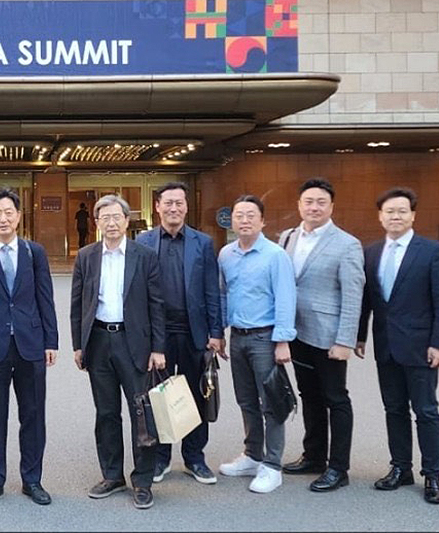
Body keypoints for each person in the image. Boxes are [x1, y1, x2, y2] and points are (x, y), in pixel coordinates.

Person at [356, 187, 439, 505]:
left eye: (402, 211)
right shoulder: (371, 252)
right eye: (389, 211)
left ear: (412, 215)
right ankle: (400, 468)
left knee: (425, 411)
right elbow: (367, 300)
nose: (395, 216)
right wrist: (359, 335)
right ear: (380, 216)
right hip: (386, 346)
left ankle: (433, 474)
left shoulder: (431, 252)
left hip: (420, 347)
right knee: (394, 409)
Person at [0, 189, 58, 507]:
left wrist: (51, 341)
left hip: (31, 344)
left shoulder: (34, 252)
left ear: (18, 216)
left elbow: (45, 298)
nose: (3, 218)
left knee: (33, 415)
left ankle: (32, 479)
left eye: (8, 212)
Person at [70, 194, 166, 510]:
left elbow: (157, 305)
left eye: (116, 217)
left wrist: (158, 348)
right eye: (105, 218)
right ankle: (112, 475)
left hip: (134, 343)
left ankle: (143, 480)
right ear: (96, 223)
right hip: (98, 341)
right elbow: (77, 304)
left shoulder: (145, 256)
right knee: (106, 413)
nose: (111, 223)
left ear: (126, 221)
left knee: (142, 413)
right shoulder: (86, 256)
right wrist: (78, 344)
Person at [275, 178, 365, 492]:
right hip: (297, 332)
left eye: (321, 202)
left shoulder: (347, 244)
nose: (314, 207)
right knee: (308, 395)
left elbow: (353, 295)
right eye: (309, 201)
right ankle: (314, 456)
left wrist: (345, 340)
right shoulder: (287, 237)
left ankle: (338, 468)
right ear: (299, 205)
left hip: (329, 338)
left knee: (335, 398)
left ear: (331, 206)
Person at [134, 182, 222, 486]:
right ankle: (160, 458)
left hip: (194, 333)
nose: (174, 208)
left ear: (186, 206)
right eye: (168, 203)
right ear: (157, 206)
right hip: (156, 335)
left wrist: (216, 331)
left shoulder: (203, 242)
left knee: (197, 395)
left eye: (179, 203)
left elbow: (212, 290)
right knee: (159, 398)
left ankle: (195, 457)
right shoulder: (143, 242)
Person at [216, 194, 296, 495]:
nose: (245, 220)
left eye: (251, 215)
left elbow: (286, 297)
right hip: (237, 337)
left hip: (266, 338)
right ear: (232, 221)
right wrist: (219, 332)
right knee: (246, 400)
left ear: (263, 221)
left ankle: (272, 466)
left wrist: (282, 341)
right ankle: (252, 455)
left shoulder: (275, 255)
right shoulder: (226, 254)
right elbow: (222, 295)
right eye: (239, 215)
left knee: (271, 403)